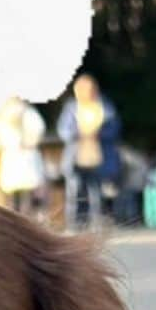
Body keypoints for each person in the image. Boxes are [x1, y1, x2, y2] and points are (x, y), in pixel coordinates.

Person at [56, 74, 120, 231]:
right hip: (75, 157)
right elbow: (63, 131)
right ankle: (74, 225)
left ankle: (96, 223)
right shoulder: (72, 108)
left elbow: (115, 129)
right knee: (74, 192)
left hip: (98, 156)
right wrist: (78, 133)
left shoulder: (105, 107)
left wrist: (99, 134)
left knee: (96, 192)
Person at [0, 97, 46, 216]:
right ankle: (22, 218)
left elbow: (38, 130)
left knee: (25, 192)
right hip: (14, 156)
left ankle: (26, 217)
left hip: (23, 155)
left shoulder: (27, 114)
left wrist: (30, 142)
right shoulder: (7, 114)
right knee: (18, 195)